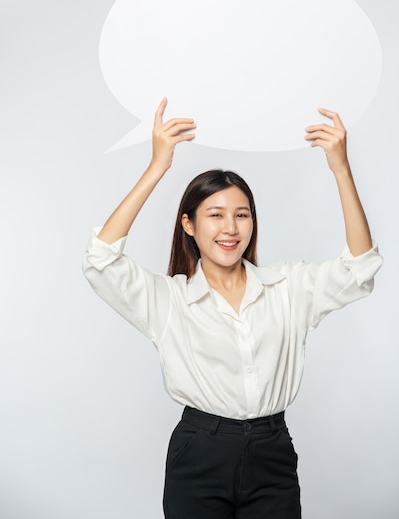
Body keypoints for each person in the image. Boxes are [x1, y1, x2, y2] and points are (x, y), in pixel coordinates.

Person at [82, 97, 383, 518]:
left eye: (242, 215)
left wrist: (341, 170)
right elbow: (101, 261)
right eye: (215, 215)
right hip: (199, 453)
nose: (230, 228)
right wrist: (157, 167)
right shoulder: (169, 301)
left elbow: (360, 269)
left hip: (272, 452)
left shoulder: (287, 287)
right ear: (189, 224)